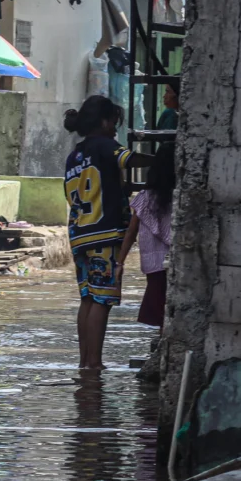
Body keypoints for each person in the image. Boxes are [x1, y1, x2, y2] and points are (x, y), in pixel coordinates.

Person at [63, 95, 152, 370]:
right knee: (102, 299)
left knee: (88, 298)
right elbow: (130, 159)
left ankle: (84, 362)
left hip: (79, 233)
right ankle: (95, 363)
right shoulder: (106, 146)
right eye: (113, 123)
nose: (115, 130)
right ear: (103, 122)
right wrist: (163, 160)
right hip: (105, 232)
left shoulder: (74, 155)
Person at [118, 143, 175, 329]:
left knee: (159, 313)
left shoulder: (145, 198)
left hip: (153, 265)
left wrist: (120, 263)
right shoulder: (180, 198)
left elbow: (131, 232)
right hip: (174, 263)